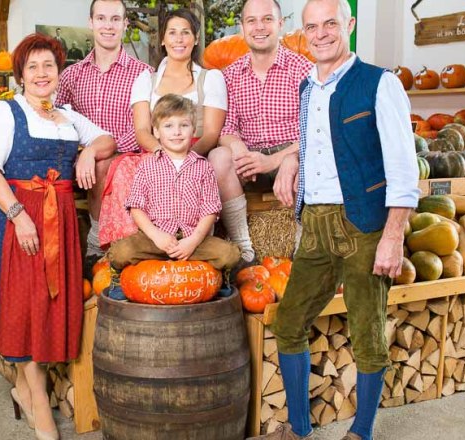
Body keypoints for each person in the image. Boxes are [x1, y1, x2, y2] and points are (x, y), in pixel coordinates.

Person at [252, 0, 419, 439]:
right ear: (302, 33)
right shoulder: (307, 87)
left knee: (367, 332)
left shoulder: (380, 83)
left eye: (330, 23)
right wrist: (292, 162)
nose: (321, 33)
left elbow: (404, 169)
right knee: (289, 323)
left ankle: (361, 432)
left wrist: (393, 236)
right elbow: (316, 144)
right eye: (312, 27)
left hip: (363, 223)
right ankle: (299, 430)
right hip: (315, 223)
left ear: (350, 24)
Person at [0, 33, 115, 440]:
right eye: (32, 66)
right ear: (20, 74)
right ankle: (39, 401)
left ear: (58, 72)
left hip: (60, 222)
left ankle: (22, 390)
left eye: (48, 65)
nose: (41, 73)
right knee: (25, 308)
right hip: (20, 219)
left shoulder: (68, 116)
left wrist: (89, 153)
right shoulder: (5, 112)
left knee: (46, 309)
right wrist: (18, 216)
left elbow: (108, 139)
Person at [99, 8, 228, 254]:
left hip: (195, 149)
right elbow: (141, 130)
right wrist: (163, 155)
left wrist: (184, 157)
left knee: (199, 169)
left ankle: (197, 235)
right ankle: (139, 241)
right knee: (125, 168)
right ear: (162, 39)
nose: (179, 39)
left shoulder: (211, 78)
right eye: (172, 33)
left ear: (196, 39)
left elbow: (212, 133)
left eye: (185, 33)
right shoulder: (146, 79)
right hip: (156, 149)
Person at [208, 0, 313, 265]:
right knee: (219, 157)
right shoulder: (230, 75)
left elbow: (315, 131)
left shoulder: (302, 69)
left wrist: (279, 159)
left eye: (267, 19)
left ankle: (303, 250)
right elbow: (226, 129)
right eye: (251, 21)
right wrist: (239, 150)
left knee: (312, 161)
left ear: (280, 24)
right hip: (249, 158)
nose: (259, 27)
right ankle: (244, 250)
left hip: (290, 153)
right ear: (242, 27)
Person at [55, 0, 152, 269]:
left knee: (104, 164)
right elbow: (60, 120)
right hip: (81, 159)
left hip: (126, 157)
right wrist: (81, 151)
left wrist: (100, 149)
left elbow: (145, 126)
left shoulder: (143, 73)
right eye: (101, 18)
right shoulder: (71, 76)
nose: (108, 26)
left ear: (125, 24)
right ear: (91, 22)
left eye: (115, 19)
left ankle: (96, 243)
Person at [107, 94, 240, 287]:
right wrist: (156, 236)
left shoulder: (203, 167)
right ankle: (119, 281)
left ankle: (220, 280)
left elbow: (210, 209)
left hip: (191, 238)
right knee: (121, 252)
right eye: (168, 126)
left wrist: (193, 241)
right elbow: (136, 207)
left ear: (193, 130)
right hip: (155, 239)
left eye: (183, 125)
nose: (176, 132)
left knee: (229, 254)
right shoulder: (147, 166)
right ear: (156, 131)